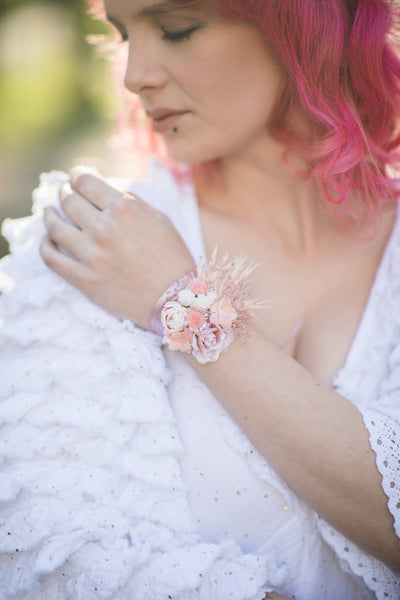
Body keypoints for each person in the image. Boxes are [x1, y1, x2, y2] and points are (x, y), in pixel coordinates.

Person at [1, 0, 400, 598]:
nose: (136, 74)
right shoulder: (90, 239)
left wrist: (180, 301)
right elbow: (48, 555)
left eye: (176, 28)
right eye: (123, 34)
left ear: (301, 26)